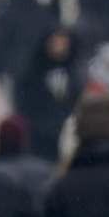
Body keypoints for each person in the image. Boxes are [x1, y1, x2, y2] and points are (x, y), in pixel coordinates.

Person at [14, 25, 82, 163]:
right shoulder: (31, 71)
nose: (59, 47)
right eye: (55, 42)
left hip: (64, 133)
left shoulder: (75, 72)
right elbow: (24, 100)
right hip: (37, 133)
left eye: (63, 43)